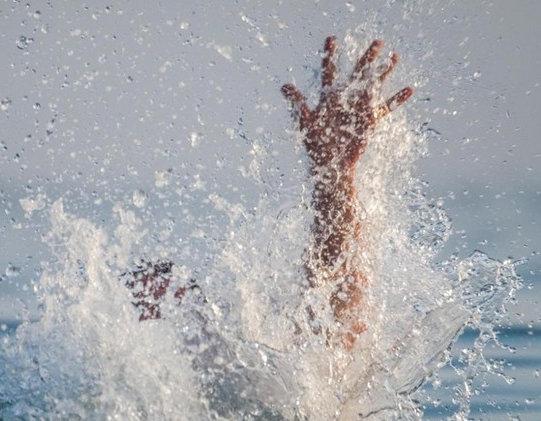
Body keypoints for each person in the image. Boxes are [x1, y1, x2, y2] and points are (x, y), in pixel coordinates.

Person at [128, 37, 413, 350]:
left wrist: (334, 175)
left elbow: (335, 336)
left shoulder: (238, 344)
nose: (154, 313)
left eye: (167, 298)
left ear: (190, 291)